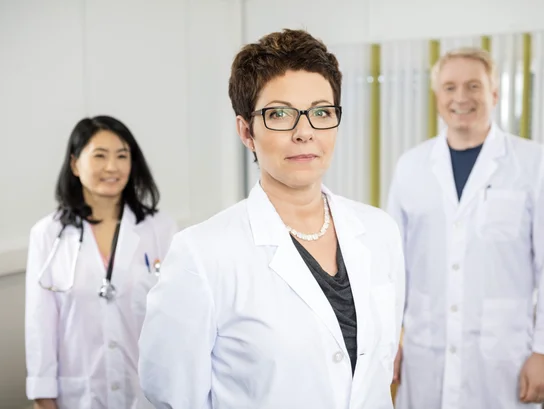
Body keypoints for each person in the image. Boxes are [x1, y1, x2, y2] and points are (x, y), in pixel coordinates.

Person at [138, 29, 405, 409]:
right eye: (279, 114)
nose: (305, 132)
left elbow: (378, 372)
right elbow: (172, 396)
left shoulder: (380, 232)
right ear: (246, 131)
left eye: (321, 112)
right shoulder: (202, 254)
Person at [387, 47, 544, 409]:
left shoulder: (533, 163)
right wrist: (387, 340)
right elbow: (392, 266)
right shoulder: (410, 167)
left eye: (473, 86)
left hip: (504, 357)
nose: (461, 97)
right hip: (425, 352)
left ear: (494, 94)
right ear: (437, 97)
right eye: (449, 87)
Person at [25, 115, 178, 409]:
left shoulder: (161, 228)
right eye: (100, 156)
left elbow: (177, 318)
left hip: (148, 392)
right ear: (74, 164)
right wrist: (43, 395)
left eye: (122, 156)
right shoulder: (48, 234)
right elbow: (40, 324)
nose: (112, 167)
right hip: (78, 392)